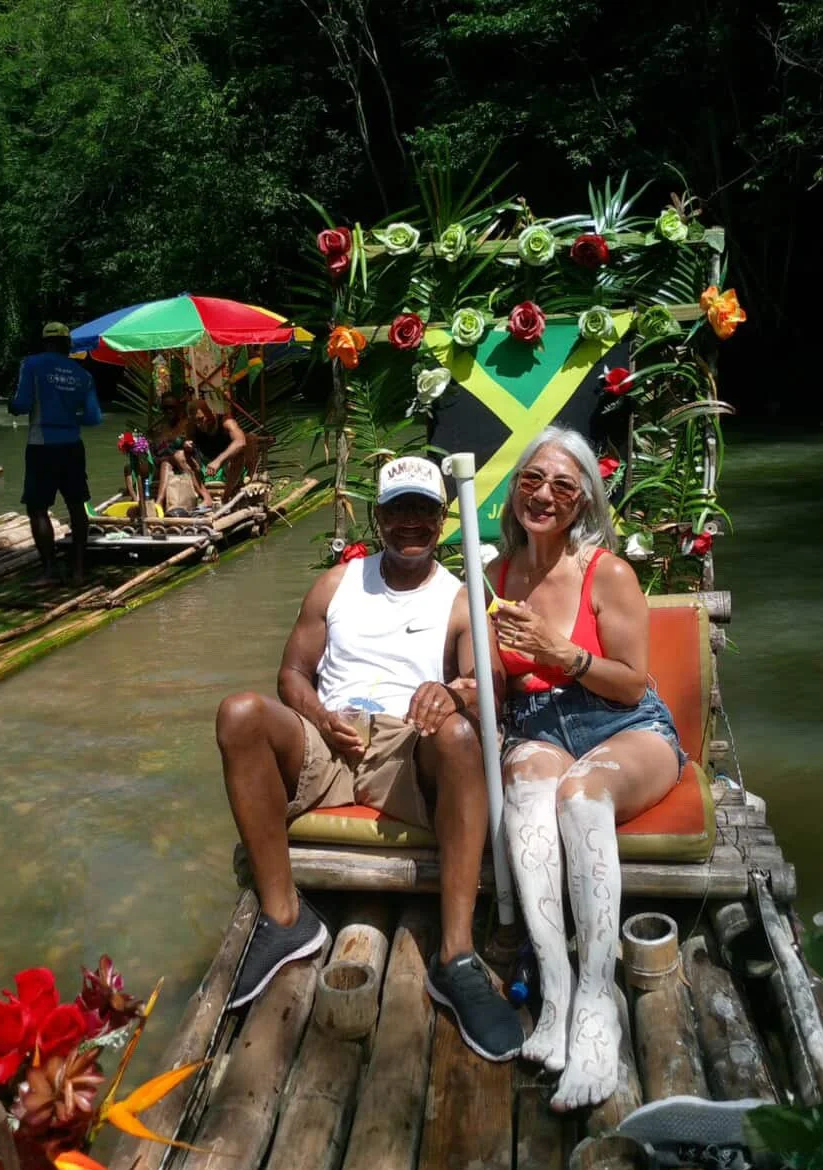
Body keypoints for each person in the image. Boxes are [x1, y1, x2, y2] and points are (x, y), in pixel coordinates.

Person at [215, 455, 524, 1063]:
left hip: (402, 744)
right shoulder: (337, 583)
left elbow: (489, 684)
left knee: (461, 736)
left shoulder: (460, 598)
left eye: (424, 511)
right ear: (377, 517)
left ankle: (455, 955)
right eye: (398, 510)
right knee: (239, 712)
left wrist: (450, 691)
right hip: (327, 738)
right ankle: (284, 918)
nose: (411, 522)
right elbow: (293, 673)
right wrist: (318, 714)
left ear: (442, 520)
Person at [487, 425, 684, 1110]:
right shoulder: (492, 578)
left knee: (578, 793)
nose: (544, 494)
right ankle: (556, 990)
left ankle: (598, 1008)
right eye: (532, 480)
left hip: (624, 725)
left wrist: (557, 651)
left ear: (582, 504)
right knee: (526, 786)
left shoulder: (610, 572)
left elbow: (633, 683)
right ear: (515, 491)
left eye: (563, 486)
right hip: (540, 726)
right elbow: (496, 687)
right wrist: (465, 681)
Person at [9, 322, 102, 585]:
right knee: (76, 506)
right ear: (67, 345)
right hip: (72, 445)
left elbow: (22, 403)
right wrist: (68, 418)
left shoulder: (32, 364)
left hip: (41, 446)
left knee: (38, 509)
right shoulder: (83, 375)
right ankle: (79, 571)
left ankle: (49, 572)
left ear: (45, 342)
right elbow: (93, 418)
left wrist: (12, 407)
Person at [185, 395, 249, 501]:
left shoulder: (226, 422)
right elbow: (189, 448)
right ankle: (206, 498)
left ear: (212, 412)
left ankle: (226, 497)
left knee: (238, 455)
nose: (199, 424)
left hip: (226, 467)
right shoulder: (192, 426)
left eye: (201, 419)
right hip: (205, 467)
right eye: (195, 421)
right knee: (180, 456)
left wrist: (218, 461)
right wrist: (187, 447)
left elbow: (240, 441)